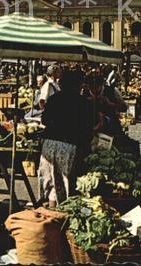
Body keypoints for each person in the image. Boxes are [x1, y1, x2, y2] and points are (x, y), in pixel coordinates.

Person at [39, 69, 92, 207]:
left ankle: (51, 210)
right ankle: (61, 215)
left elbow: (44, 120)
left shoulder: (54, 99)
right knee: (64, 183)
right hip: (67, 146)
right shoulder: (82, 102)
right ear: (78, 85)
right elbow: (87, 127)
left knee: (51, 182)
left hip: (49, 145)